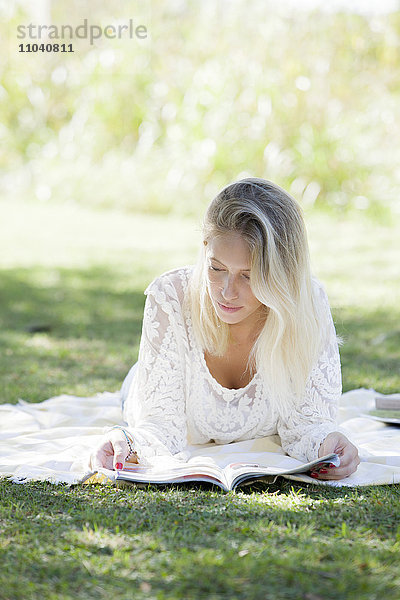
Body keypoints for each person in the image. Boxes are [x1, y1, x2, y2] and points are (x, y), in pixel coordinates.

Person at [90, 178, 360, 480]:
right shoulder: (170, 297)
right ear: (205, 249)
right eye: (217, 268)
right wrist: (126, 441)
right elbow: (160, 427)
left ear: (282, 273)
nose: (227, 292)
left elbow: (308, 426)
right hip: (147, 386)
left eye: (249, 275)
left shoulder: (306, 303)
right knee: (139, 391)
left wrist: (330, 445)